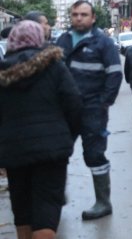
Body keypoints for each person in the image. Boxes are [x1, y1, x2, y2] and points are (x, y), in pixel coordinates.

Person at [0, 21, 82, 239]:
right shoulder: (54, 66)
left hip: (14, 153)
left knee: (22, 209)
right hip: (51, 152)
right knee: (46, 208)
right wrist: (66, 138)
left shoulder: (2, 71)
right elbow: (74, 105)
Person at [55, 0, 122, 220]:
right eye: (75, 14)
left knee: (94, 154)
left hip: (93, 109)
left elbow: (114, 74)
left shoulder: (103, 42)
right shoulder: (62, 40)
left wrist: (104, 102)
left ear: (93, 18)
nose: (79, 18)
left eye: (84, 14)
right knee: (59, 152)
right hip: (65, 110)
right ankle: (57, 193)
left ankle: (103, 202)